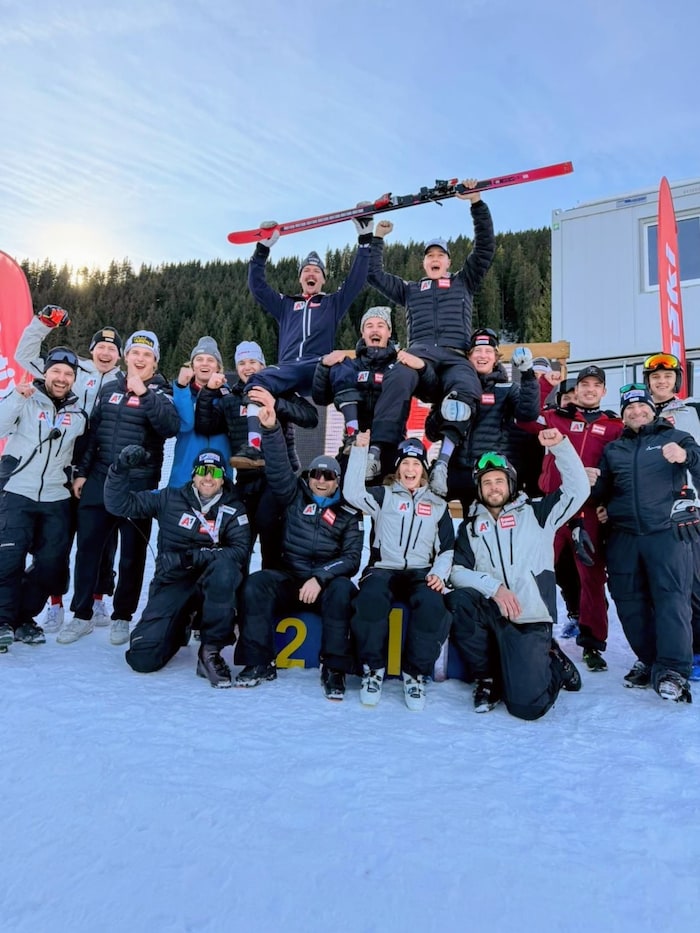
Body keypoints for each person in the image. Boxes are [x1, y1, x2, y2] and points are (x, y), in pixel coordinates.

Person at [446, 431, 589, 720]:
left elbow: (578, 490)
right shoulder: (471, 527)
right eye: (486, 483)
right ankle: (487, 678)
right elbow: (457, 572)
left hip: (529, 617)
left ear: (510, 483)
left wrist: (560, 446)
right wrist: (494, 587)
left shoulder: (538, 512)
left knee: (527, 707)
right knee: (459, 600)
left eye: (499, 480)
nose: (493, 487)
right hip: (493, 610)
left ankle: (553, 662)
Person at [368, 179, 495, 495]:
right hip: (421, 355)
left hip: (454, 357)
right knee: (397, 375)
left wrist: (476, 204)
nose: (435, 258)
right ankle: (377, 454)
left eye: (441, 254)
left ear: (449, 261)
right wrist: (377, 239)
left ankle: (441, 464)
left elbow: (485, 248)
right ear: (424, 263)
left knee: (468, 387)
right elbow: (374, 275)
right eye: (429, 255)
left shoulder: (463, 283)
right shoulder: (411, 290)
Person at [234, 402, 363, 699]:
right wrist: (270, 429)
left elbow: (352, 557)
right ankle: (258, 663)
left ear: (337, 482)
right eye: (315, 474)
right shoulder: (294, 496)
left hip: (326, 584)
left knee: (344, 590)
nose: (321, 480)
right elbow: (279, 468)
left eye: (328, 476)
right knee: (257, 583)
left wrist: (320, 577)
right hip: (292, 578)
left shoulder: (348, 512)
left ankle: (333, 669)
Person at [61, 331, 180, 647]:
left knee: (132, 554)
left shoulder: (162, 391)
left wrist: (145, 394)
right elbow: (94, 434)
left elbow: (170, 427)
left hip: (138, 486)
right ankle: (82, 615)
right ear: (126, 357)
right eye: (135, 354)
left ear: (154, 360)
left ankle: (122, 616)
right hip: (100, 478)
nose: (140, 360)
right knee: (88, 549)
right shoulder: (110, 388)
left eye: (147, 355)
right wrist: (82, 473)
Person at [103, 446, 250, 687]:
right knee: (142, 658)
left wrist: (189, 557)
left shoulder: (235, 508)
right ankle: (178, 624)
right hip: (173, 582)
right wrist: (120, 469)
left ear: (223, 477)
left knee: (226, 569)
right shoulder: (169, 498)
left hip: (212, 585)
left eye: (215, 472)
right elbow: (118, 505)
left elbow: (239, 552)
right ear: (193, 474)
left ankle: (210, 652)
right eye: (202, 470)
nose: (208, 477)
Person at [14, 310, 124, 631]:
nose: (105, 353)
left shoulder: (123, 380)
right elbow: (24, 355)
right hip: (62, 465)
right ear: (91, 350)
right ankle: (55, 603)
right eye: (100, 347)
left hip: (102, 468)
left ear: (119, 354)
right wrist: (43, 324)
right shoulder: (70, 370)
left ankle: (100, 598)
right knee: (57, 538)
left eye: (112, 348)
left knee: (103, 538)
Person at [234, 214, 372, 466]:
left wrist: (365, 241)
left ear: (323, 279)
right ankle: (254, 446)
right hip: (288, 368)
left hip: (318, 367)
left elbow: (355, 281)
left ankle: (352, 434)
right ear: (300, 278)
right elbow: (257, 286)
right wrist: (262, 249)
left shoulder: (331, 303)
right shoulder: (286, 305)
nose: (311, 274)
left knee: (343, 365)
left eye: (316, 271)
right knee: (257, 380)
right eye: (307, 270)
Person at [591, 384, 700, 702]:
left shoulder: (675, 437)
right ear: (623, 417)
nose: (637, 413)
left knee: (671, 600)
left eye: (642, 408)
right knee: (628, 602)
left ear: (653, 410)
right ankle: (651, 660)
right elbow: (607, 491)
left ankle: (673, 670)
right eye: (630, 410)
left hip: (665, 532)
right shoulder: (614, 449)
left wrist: (686, 456)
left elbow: (698, 463)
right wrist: (596, 490)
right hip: (623, 535)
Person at [518, 365, 624, 671]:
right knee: (536, 571)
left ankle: (592, 644)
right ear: (575, 390)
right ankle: (535, 633)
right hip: (552, 509)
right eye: (584, 385)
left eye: (596, 385)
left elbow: (623, 467)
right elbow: (525, 418)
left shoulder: (614, 427)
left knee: (591, 578)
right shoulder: (556, 418)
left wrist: (606, 497)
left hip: (588, 511)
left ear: (604, 391)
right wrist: (542, 384)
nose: (589, 390)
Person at [343, 435, 454, 710]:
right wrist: (359, 451)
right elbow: (352, 494)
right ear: (397, 468)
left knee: (432, 605)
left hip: (420, 572)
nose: (410, 469)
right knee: (370, 599)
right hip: (384, 568)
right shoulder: (384, 495)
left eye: (416, 464)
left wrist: (439, 573)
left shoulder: (438, 505)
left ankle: (415, 673)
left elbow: (448, 548)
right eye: (405, 463)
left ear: (423, 470)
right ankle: (372, 668)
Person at [195, 340, 318, 568]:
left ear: (263, 365)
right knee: (241, 539)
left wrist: (276, 403)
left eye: (253, 361)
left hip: (280, 478)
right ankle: (238, 597)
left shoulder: (280, 390)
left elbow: (311, 418)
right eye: (241, 363)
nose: (247, 367)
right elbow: (205, 426)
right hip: (246, 478)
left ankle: (271, 592)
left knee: (273, 538)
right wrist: (207, 392)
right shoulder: (231, 398)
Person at [0, 347, 88, 653]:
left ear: (74, 379)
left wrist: (81, 474)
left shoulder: (78, 414)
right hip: (17, 490)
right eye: (56, 372)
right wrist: (15, 398)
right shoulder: (25, 400)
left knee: (51, 566)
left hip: (55, 496)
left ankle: (24, 618)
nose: (61, 378)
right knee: (9, 560)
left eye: (68, 374)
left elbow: (84, 450)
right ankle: (3, 620)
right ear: (45, 373)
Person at [312, 306, 436, 480]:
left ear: (389, 332)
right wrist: (323, 367)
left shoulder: (401, 365)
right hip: (355, 443)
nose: (375, 329)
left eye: (380, 325)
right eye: (369, 326)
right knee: (340, 489)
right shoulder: (352, 366)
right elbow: (320, 397)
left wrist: (423, 368)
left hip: (391, 444)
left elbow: (430, 393)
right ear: (363, 333)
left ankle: (376, 451)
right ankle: (352, 431)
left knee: (389, 496)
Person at [423, 328, 540, 510]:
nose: (482, 355)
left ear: (496, 358)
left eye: (488, 351)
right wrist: (441, 412)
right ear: (468, 357)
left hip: (490, 472)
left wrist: (527, 375)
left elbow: (528, 414)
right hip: (456, 471)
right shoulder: (453, 388)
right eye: (477, 351)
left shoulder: (507, 389)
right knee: (432, 514)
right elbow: (431, 433)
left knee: (482, 530)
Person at [643, 351, 700, 681]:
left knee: (692, 583)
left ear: (676, 381)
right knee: (662, 588)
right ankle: (669, 650)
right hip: (654, 513)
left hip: (688, 510)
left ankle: (695, 649)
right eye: (655, 378)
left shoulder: (692, 411)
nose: (661, 382)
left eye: (666, 377)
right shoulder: (641, 414)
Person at [169, 335, 232, 487]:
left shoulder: (229, 397)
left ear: (218, 367)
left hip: (219, 478)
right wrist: (182, 388)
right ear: (192, 366)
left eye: (210, 360)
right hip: (184, 477)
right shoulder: (179, 393)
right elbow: (184, 426)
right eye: (199, 359)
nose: (204, 364)